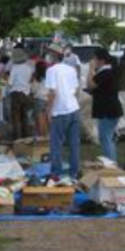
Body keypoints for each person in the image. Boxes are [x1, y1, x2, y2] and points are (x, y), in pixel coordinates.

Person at [46, 46, 81, 178]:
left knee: (56, 144)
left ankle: (56, 173)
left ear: (53, 56)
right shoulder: (71, 69)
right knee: (74, 144)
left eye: (49, 55)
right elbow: (76, 89)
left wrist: (48, 111)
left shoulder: (51, 71)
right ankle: (74, 172)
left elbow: (52, 93)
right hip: (73, 108)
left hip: (60, 111)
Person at [87, 47, 123, 163]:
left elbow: (90, 85)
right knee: (107, 138)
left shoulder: (105, 72)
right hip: (110, 110)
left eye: (94, 59)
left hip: (107, 111)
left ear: (101, 60)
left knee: (105, 139)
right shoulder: (108, 71)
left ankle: (111, 164)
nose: (93, 61)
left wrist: (90, 69)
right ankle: (110, 163)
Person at [7, 47, 34, 140]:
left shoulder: (15, 68)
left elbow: (10, 83)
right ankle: (26, 137)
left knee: (16, 118)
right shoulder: (29, 68)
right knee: (24, 117)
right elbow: (30, 81)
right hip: (26, 94)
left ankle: (17, 139)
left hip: (16, 94)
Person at [30, 60, 50, 138]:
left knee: (40, 120)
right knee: (46, 119)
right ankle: (47, 136)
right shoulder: (48, 77)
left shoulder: (36, 78)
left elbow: (33, 90)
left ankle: (42, 137)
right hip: (47, 99)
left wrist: (31, 83)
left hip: (39, 100)